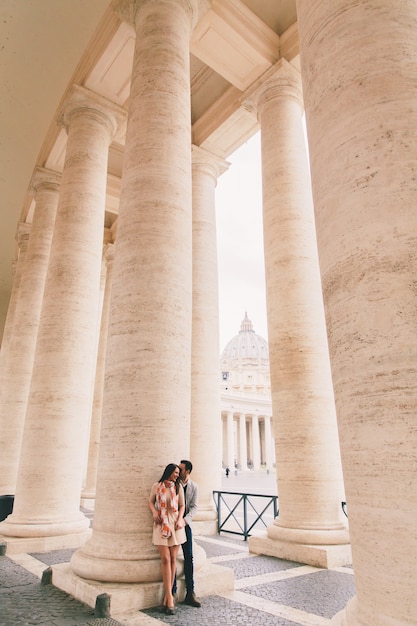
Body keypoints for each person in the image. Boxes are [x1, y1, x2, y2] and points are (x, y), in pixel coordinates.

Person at [149, 463, 186, 615]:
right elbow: (150, 501)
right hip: (161, 524)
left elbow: (182, 505)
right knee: (165, 558)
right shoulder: (156, 486)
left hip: (175, 524)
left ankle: (168, 596)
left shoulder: (178, 487)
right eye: (176, 472)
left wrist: (180, 519)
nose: (177, 475)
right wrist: (154, 513)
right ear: (169, 472)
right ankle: (169, 596)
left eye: (178, 473)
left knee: (172, 558)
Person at [172, 459, 201, 607]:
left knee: (189, 557)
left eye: (181, 469)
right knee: (173, 558)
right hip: (173, 524)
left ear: (187, 472)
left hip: (185, 525)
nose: (178, 471)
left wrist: (185, 521)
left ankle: (191, 592)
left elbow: (194, 507)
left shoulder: (194, 486)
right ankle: (173, 592)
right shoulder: (173, 484)